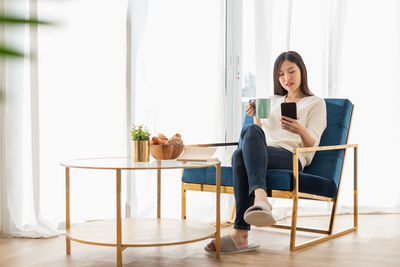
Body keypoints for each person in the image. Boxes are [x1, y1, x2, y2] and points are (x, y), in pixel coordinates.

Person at [205, 51, 327, 254]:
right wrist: (256, 117)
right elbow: (260, 135)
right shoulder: (273, 100)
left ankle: (242, 233)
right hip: (263, 153)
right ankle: (256, 206)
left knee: (239, 155)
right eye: (281, 74)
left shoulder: (315, 103)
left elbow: (312, 144)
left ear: (302, 72)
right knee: (242, 148)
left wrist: (299, 129)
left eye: (291, 71)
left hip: (291, 156)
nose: (286, 78)